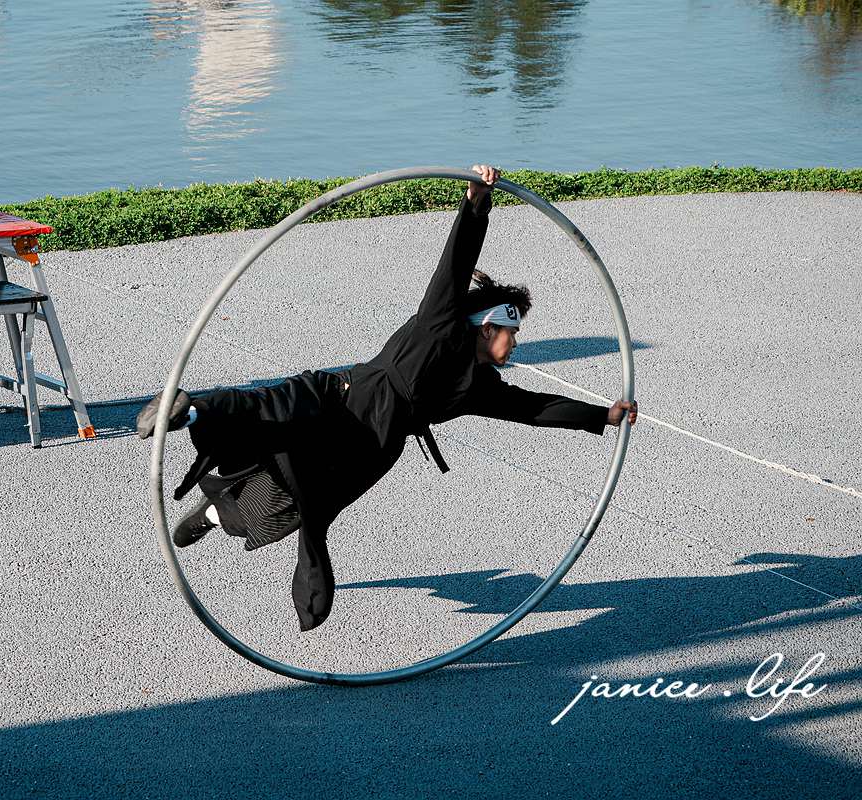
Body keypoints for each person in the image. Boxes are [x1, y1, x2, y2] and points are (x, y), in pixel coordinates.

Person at [137, 164, 638, 631]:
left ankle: (208, 515)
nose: (518, 342)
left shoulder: (478, 386)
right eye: (514, 331)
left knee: (285, 506)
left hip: (366, 449)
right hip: (339, 397)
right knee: (269, 408)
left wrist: (604, 415)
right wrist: (476, 203)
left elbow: (535, 408)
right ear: (488, 326)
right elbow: (455, 264)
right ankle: (190, 408)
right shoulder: (439, 326)